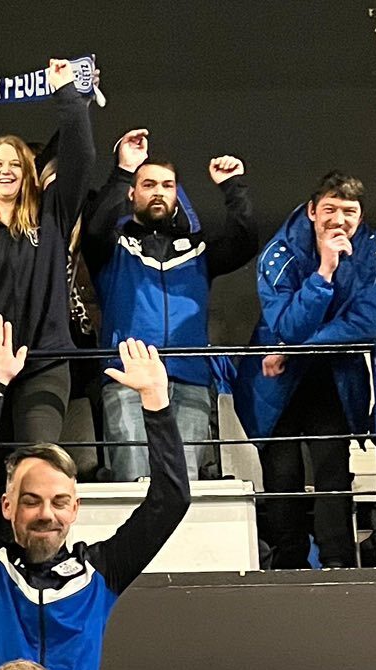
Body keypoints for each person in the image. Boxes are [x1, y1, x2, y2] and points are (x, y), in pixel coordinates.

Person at [0, 321, 189, 670]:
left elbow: (171, 500)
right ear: (8, 506)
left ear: (75, 508)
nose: (47, 514)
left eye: (59, 501)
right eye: (31, 501)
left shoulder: (100, 574)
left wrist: (157, 403)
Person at [237, 171, 376, 568]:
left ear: (361, 216)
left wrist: (295, 351)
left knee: (332, 466)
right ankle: (289, 562)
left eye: (349, 212)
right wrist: (324, 271)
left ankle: (338, 560)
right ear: (311, 211)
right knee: (282, 471)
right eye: (329, 209)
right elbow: (286, 327)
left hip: (332, 374)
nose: (339, 220)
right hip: (274, 379)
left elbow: (364, 325)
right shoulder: (279, 253)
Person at [81, 129, 257, 481]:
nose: (158, 192)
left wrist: (233, 187)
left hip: (190, 381)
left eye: (167, 185)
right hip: (128, 380)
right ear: (132, 193)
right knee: (134, 484)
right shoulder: (112, 249)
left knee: (183, 486)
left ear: (177, 195)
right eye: (148, 185)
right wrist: (123, 170)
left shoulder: (198, 251)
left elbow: (246, 241)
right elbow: (95, 228)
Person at [0, 63, 93, 446]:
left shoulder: (52, 217)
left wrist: (68, 95)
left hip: (45, 363)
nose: (6, 170)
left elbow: (81, 157)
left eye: (15, 164)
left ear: (28, 173)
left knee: (36, 458)